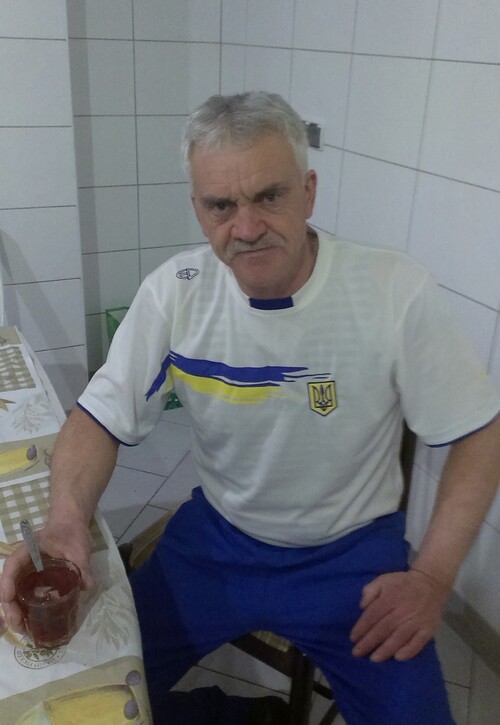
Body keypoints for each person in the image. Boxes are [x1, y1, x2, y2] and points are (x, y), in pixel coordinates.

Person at [2, 91, 499, 724]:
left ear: (308, 193)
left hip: (351, 560)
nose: (246, 227)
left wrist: (431, 576)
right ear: (198, 209)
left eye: (269, 196)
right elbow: (98, 418)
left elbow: (480, 433)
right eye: (222, 205)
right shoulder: (175, 292)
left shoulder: (394, 291)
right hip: (216, 543)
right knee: (82, 687)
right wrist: (67, 522)